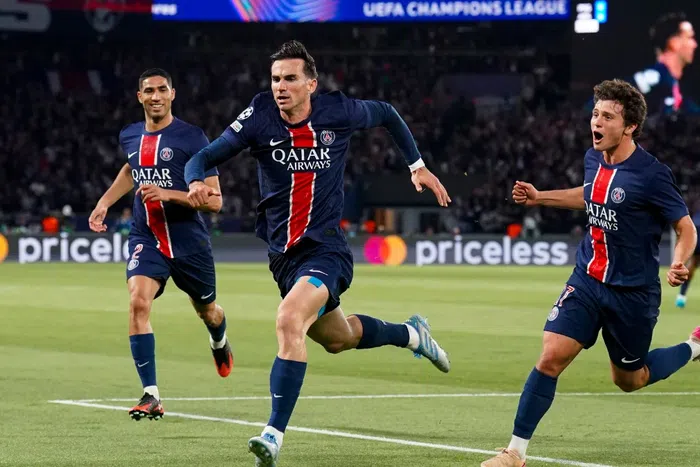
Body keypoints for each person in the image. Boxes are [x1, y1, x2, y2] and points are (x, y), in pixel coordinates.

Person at [184, 40, 452, 466]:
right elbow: (202, 156)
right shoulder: (259, 115)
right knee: (338, 339)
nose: (280, 86)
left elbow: (386, 113)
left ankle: (272, 435)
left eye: (290, 78)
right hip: (283, 257)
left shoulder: (337, 111)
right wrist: (196, 180)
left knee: (289, 319)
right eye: (275, 79)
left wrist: (416, 166)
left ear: (311, 83)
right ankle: (412, 334)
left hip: (326, 248)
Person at [481, 79, 699, 467]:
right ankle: (515, 452)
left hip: (632, 293)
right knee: (551, 356)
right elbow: (589, 194)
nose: (596, 122)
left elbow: (685, 227)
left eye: (608, 117)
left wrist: (679, 261)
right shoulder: (593, 158)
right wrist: (540, 197)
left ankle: (695, 346)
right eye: (596, 114)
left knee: (631, 379)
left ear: (630, 127)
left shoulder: (652, 175)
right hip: (587, 278)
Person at [88, 68, 233, 422]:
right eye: (149, 91)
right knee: (138, 302)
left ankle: (218, 339)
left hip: (188, 242)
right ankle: (151, 394)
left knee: (208, 311)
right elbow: (131, 169)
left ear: (172, 94)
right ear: (139, 96)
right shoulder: (129, 135)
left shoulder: (192, 137)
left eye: (162, 90)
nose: (156, 96)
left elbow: (215, 201)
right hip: (147, 237)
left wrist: (168, 194)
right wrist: (105, 202)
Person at [632, 11, 698, 115]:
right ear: (674, 43)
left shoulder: (680, 93)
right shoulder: (652, 79)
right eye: (690, 37)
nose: (694, 44)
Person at [676, 204, 700, 308]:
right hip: (697, 234)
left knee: (692, 265)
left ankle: (681, 296)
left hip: (696, 233)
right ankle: (681, 296)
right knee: (692, 265)